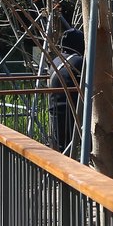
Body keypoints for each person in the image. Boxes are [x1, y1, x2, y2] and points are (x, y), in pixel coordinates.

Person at [46, 28, 85, 156]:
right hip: (74, 113)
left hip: (55, 110)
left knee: (62, 149)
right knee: (88, 146)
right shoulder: (79, 62)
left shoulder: (55, 61)